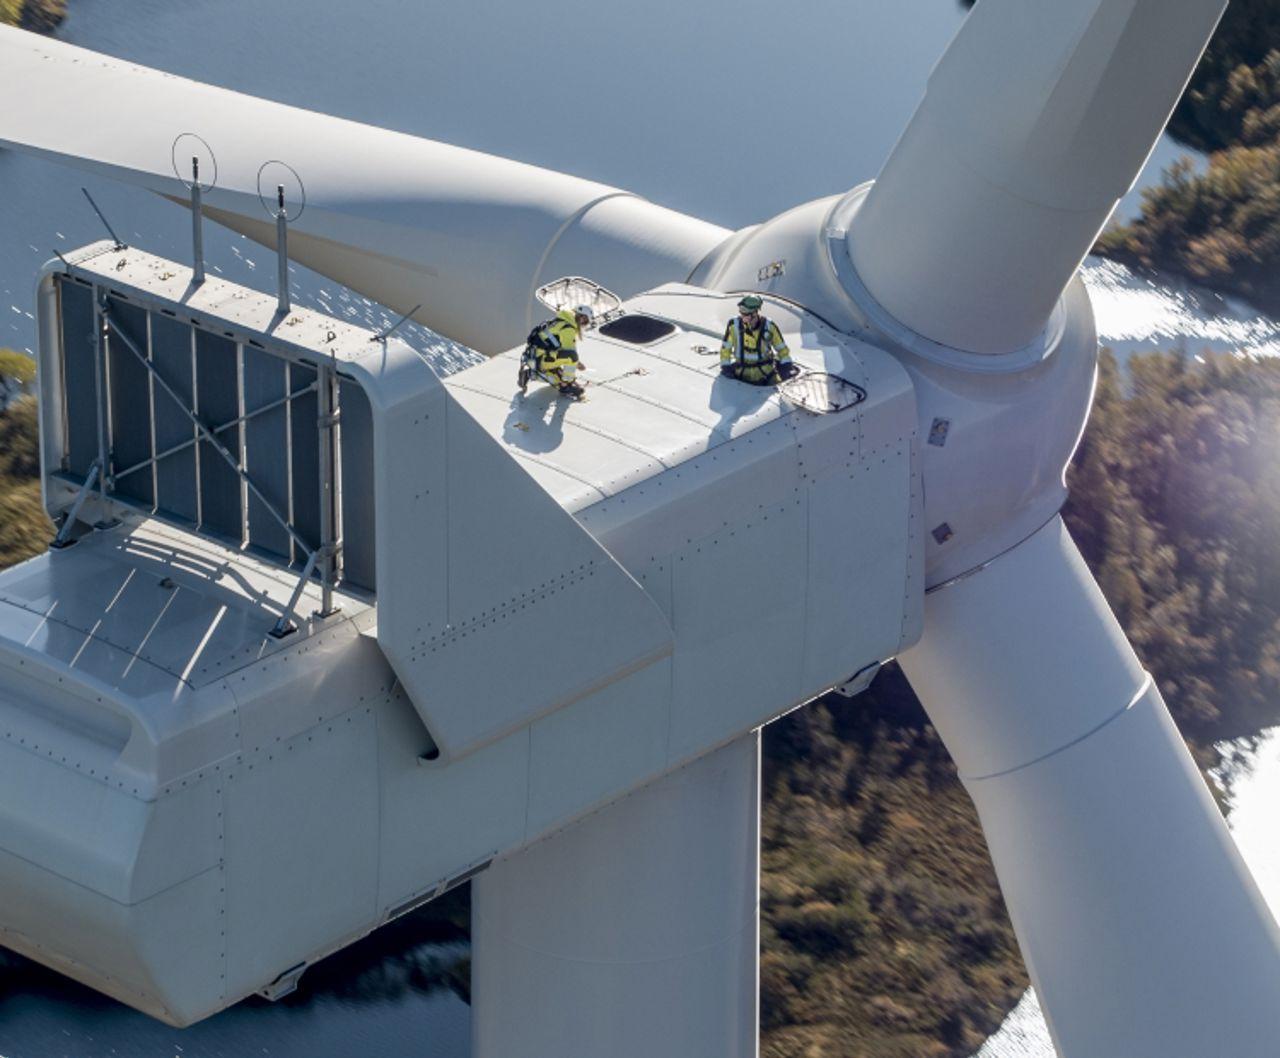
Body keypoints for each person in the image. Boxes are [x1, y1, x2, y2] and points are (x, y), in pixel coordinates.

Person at [719, 294, 797, 385]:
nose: (742, 316)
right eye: (741, 312)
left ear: (755, 313)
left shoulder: (769, 326)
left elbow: (782, 349)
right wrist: (726, 366)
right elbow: (726, 348)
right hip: (742, 374)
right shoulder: (733, 325)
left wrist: (786, 366)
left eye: (745, 314)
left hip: (766, 373)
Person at [521, 304, 594, 398]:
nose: (584, 325)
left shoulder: (562, 321)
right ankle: (566, 386)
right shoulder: (568, 328)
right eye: (585, 322)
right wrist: (577, 365)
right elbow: (570, 353)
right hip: (542, 358)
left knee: (558, 379)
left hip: (537, 357)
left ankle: (529, 374)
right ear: (581, 317)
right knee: (572, 357)